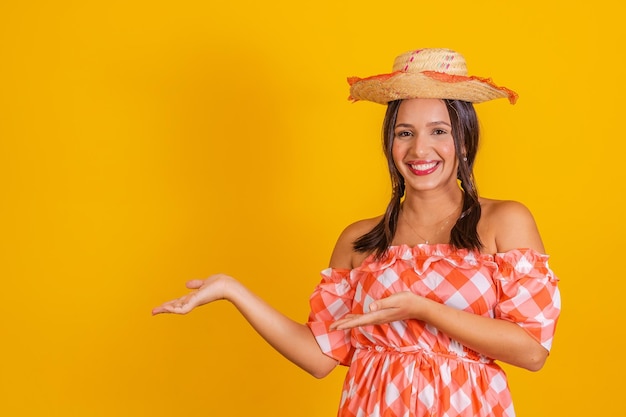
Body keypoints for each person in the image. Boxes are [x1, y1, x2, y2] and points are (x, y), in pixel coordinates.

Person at [152, 48, 561, 417]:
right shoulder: (359, 241)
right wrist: (231, 289)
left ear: (465, 140)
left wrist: (424, 309)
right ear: (389, 143)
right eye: (405, 133)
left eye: (439, 131)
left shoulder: (503, 222)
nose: (420, 150)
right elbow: (319, 357)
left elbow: (532, 351)